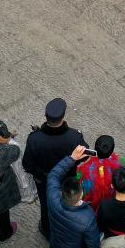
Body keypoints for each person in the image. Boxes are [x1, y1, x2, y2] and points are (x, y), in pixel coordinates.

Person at [23, 97, 87, 240]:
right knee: (69, 204)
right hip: (67, 180)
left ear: (46, 116)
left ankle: (47, 230)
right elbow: (84, 155)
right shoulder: (74, 136)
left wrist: (42, 174)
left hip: (44, 183)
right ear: (63, 117)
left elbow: (27, 165)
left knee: (46, 206)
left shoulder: (34, 139)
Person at [47, 145, 101, 248]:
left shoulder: (52, 197)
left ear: (62, 191)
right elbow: (93, 245)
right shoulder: (87, 216)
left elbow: (53, 175)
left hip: (56, 246)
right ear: (81, 194)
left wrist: (72, 158)